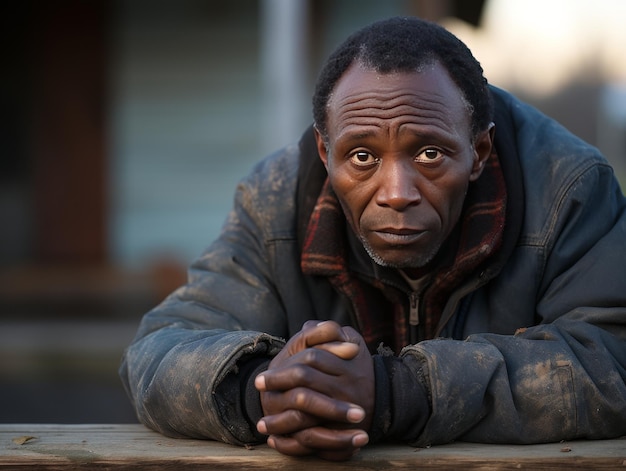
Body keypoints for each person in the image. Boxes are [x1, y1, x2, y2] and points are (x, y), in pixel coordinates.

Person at [120, 16, 626, 461]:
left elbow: (612, 363)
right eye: (362, 157)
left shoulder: (568, 187)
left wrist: (394, 392)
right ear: (325, 152)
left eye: (429, 154)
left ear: (479, 149)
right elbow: (157, 354)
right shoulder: (274, 200)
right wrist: (269, 390)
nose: (397, 193)